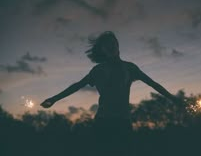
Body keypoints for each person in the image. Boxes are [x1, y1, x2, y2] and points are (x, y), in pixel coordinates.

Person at [40, 31, 181, 155]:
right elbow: (77, 86)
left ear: (118, 46)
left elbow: (153, 83)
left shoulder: (130, 68)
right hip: (103, 123)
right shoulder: (98, 70)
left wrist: (173, 99)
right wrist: (54, 99)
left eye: (113, 43)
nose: (111, 47)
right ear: (103, 50)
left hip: (123, 122)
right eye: (106, 45)